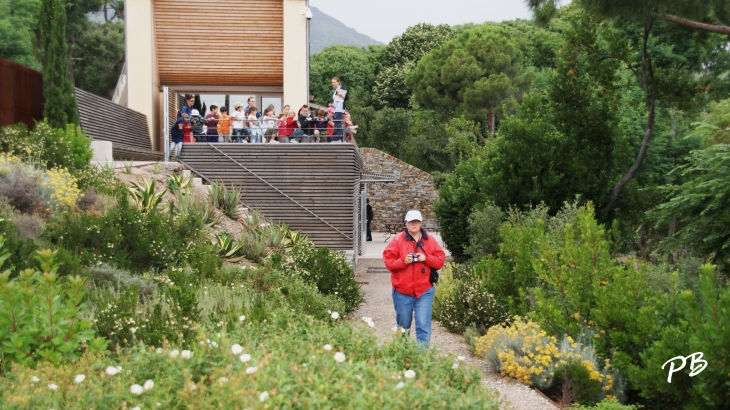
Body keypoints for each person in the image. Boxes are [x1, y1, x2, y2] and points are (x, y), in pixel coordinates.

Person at [382, 210, 445, 347]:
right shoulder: (398, 240)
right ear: (406, 223)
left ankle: (421, 360)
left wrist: (426, 258)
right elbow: (388, 262)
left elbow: (440, 261)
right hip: (402, 292)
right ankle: (404, 357)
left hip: (424, 291)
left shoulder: (430, 240)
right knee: (403, 326)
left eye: (416, 221)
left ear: (421, 223)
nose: (414, 224)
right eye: (411, 221)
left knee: (423, 324)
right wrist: (403, 261)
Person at [331, 77, 348, 142]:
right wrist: (332, 105)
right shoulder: (336, 90)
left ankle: (337, 138)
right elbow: (336, 100)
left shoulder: (341, 88)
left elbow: (346, 97)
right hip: (336, 108)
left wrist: (339, 94)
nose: (333, 84)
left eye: (334, 82)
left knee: (337, 122)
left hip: (339, 108)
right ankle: (339, 137)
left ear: (338, 82)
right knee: (336, 123)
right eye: (332, 82)